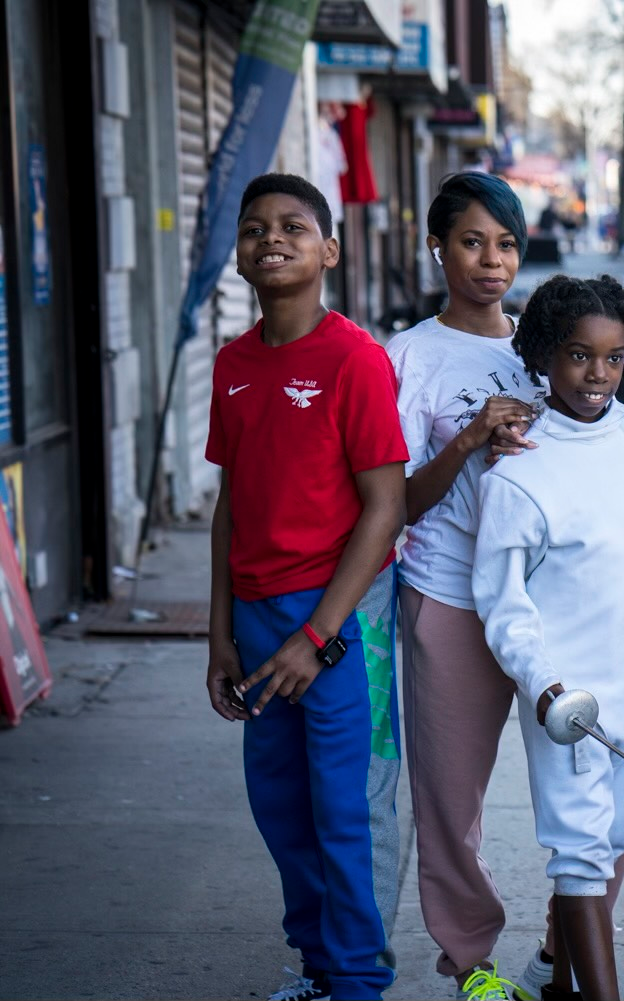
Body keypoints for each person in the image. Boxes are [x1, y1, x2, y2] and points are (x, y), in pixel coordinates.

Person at [204, 173, 407, 1001]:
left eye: (293, 225)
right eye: (255, 228)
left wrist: (318, 632)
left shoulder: (354, 358)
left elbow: (385, 507)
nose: (271, 238)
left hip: (338, 620)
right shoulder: (232, 364)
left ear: (330, 249)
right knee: (282, 809)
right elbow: (230, 504)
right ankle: (320, 968)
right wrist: (219, 633)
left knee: (344, 812)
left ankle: (358, 979)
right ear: (241, 253)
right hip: (255, 621)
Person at [387, 171, 576, 1001]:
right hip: (448, 596)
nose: (491, 260)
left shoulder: (550, 343)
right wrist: (470, 437)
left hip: (552, 598)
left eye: (506, 243)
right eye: (471, 241)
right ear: (438, 247)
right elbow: (392, 499)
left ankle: (562, 951)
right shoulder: (409, 355)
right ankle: (472, 964)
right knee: (449, 799)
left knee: (586, 786)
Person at [471, 274, 624, 1001]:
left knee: (608, 844)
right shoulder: (519, 468)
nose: (598, 375)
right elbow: (502, 602)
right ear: (545, 354)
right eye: (579, 356)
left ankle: (550, 981)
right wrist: (545, 684)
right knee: (581, 855)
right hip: (569, 698)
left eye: (614, 359)